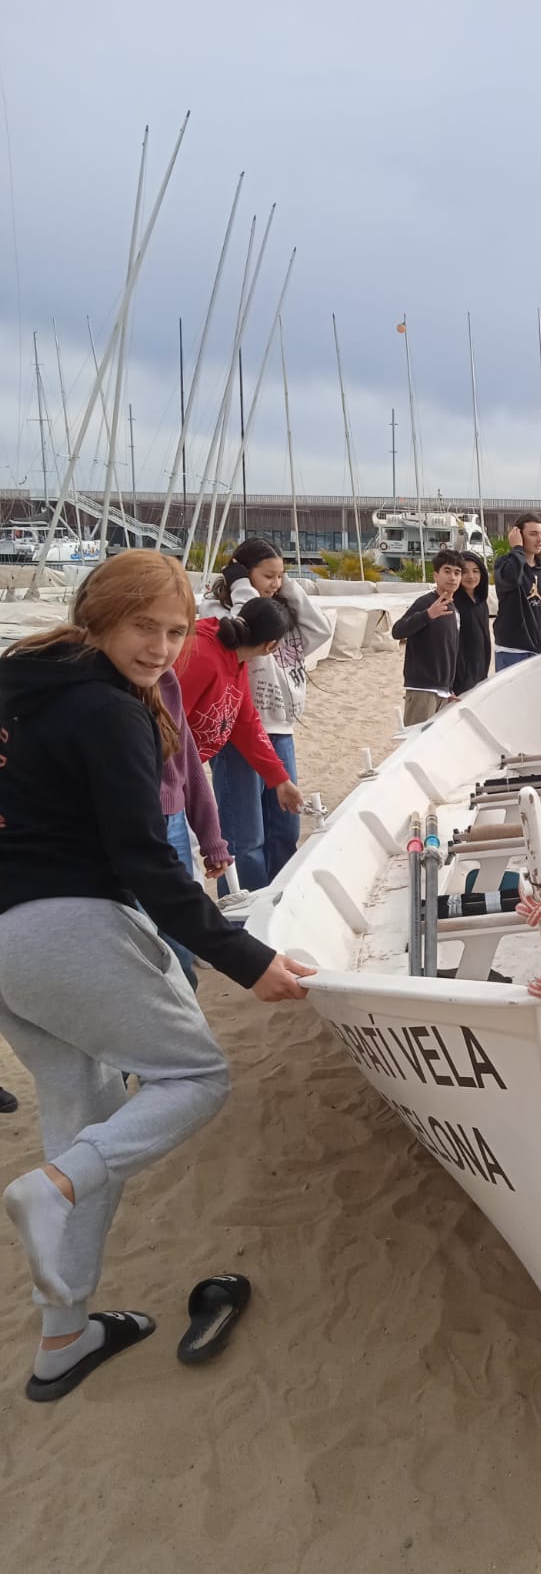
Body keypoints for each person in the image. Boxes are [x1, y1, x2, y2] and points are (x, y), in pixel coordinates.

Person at [0, 550, 312, 1403]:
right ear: (98, 617)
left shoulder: (19, 687)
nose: (161, 649)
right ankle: (52, 1188)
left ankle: (62, 1335)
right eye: (144, 627)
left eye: (176, 632)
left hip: (8, 942)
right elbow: (144, 858)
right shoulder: (108, 710)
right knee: (196, 1076)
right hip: (65, 924)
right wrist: (248, 961)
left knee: (83, 1112)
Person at [200, 539, 332, 890]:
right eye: (268, 575)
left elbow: (321, 630)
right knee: (245, 837)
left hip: (280, 729)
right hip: (237, 732)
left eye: (281, 576)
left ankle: (280, 898)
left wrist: (285, 586)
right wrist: (242, 587)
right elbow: (244, 633)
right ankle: (247, 908)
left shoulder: (281, 614)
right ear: (242, 574)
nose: (275, 583)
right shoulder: (217, 611)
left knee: (284, 829)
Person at [176, 600, 305, 841]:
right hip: (160, 774)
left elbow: (246, 724)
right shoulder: (203, 655)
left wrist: (280, 779)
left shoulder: (236, 662)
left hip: (179, 775)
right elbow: (167, 719)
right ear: (271, 646)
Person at [156, 665, 232, 989]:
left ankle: (186, 1002)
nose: (160, 648)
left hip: (171, 822)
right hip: (115, 828)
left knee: (180, 935)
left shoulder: (165, 681)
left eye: (175, 638)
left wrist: (212, 840)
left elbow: (187, 762)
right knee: (140, 937)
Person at [391, 550, 464, 725]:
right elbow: (397, 631)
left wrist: (448, 688)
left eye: (457, 572)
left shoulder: (454, 609)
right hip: (422, 689)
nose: (452, 577)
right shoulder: (425, 602)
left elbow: (449, 651)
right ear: (436, 575)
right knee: (415, 738)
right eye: (447, 571)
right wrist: (427, 615)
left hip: (443, 692)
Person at [492, 513, 541, 670]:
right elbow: (513, 578)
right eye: (533, 534)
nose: (539, 539)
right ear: (518, 535)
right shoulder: (504, 565)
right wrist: (517, 549)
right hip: (512, 650)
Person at [452, 550, 492, 695]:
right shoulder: (453, 603)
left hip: (480, 671)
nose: (471, 576)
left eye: (475, 571)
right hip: (460, 677)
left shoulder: (481, 602)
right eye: (465, 571)